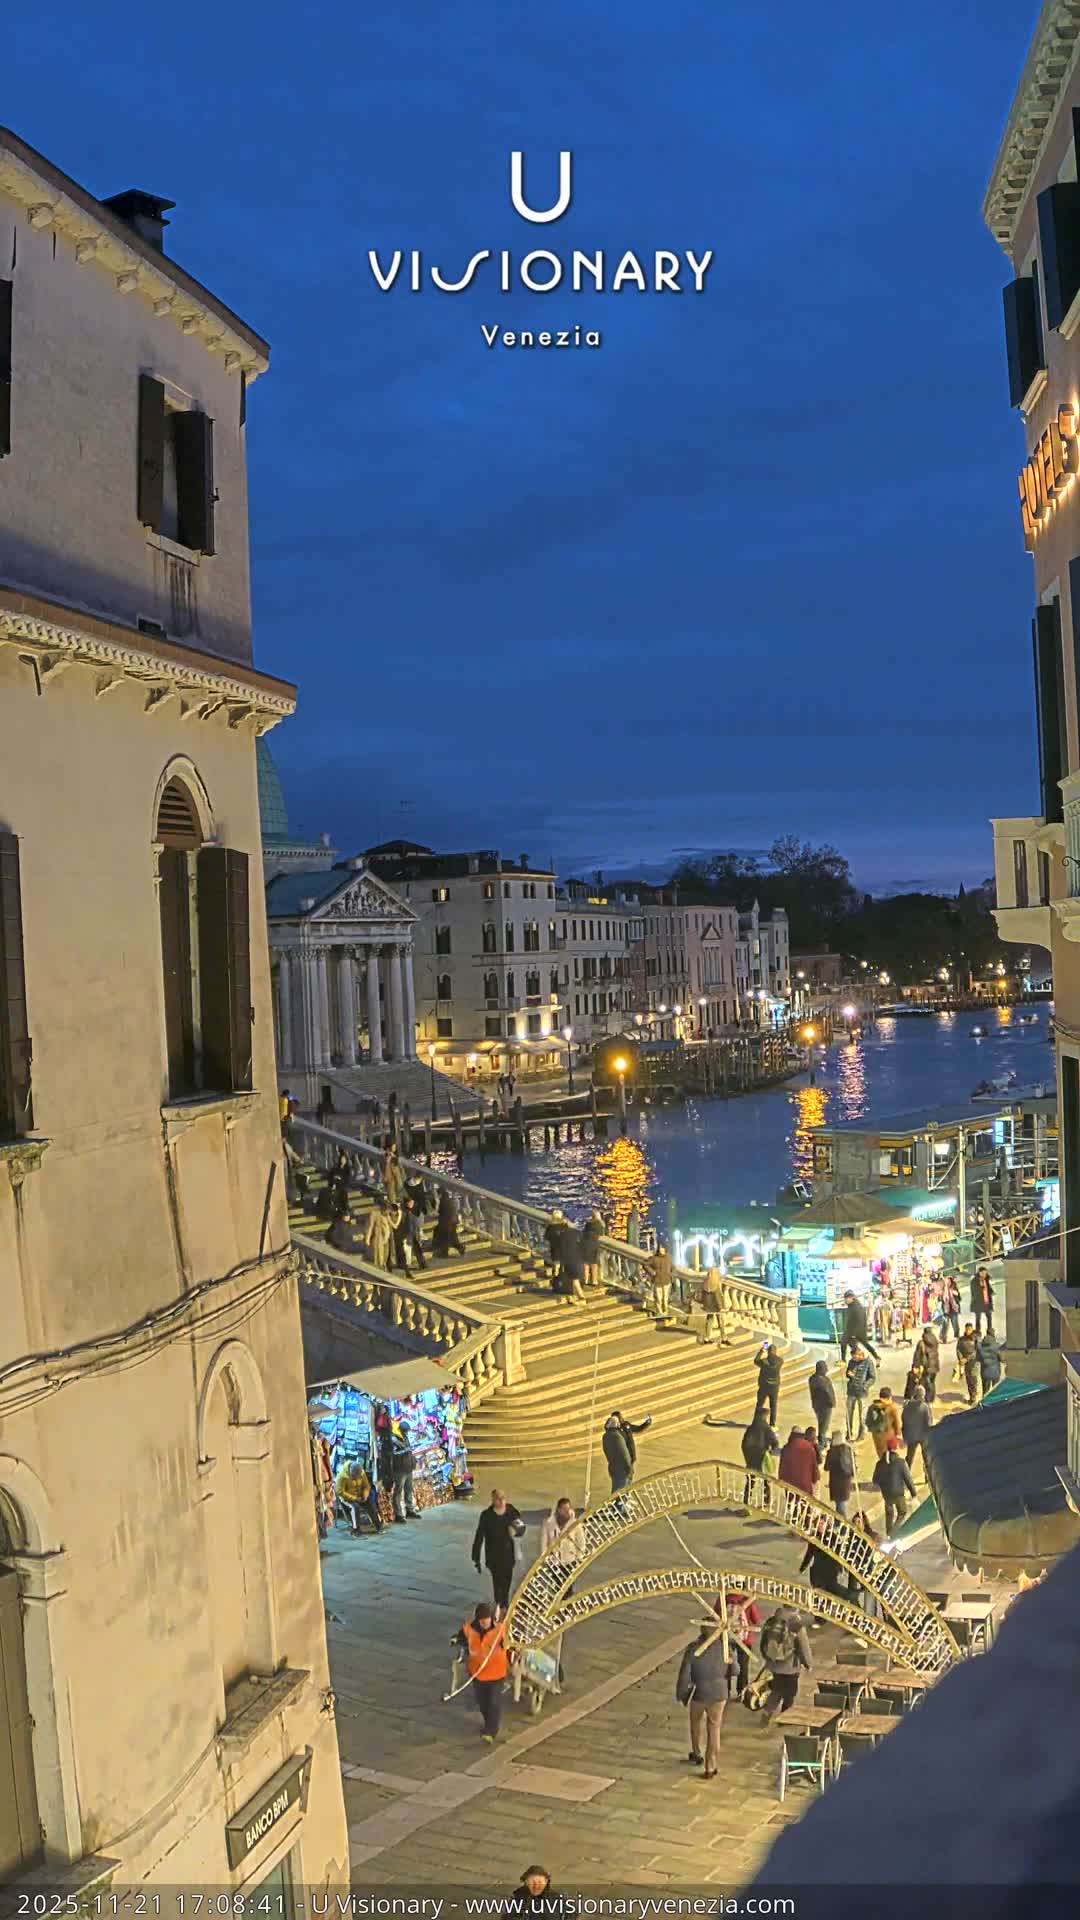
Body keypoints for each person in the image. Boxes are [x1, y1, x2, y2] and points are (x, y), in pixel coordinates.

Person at [675, 1620, 730, 1779]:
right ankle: (711, 1766)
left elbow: (685, 1674)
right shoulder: (725, 1647)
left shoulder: (694, 1649)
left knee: (695, 1722)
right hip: (719, 1693)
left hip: (700, 1692)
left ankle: (696, 1752)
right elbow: (735, 1670)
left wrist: (682, 1693)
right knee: (714, 1728)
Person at [455, 1601, 507, 1744]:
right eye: (482, 1620)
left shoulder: (500, 1630)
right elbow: (460, 1637)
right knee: (483, 1703)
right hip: (477, 1673)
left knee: (494, 1702)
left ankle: (491, 1731)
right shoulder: (469, 1630)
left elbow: (510, 1643)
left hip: (496, 1673)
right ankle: (488, 1723)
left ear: (491, 1618)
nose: (485, 1622)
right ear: (477, 1620)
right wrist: (455, 1640)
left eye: (487, 1619)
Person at [471, 1489, 526, 1614]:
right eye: (498, 1499)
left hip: (508, 1554)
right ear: (493, 1500)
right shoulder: (486, 1516)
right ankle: (499, 1603)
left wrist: (517, 1531)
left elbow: (521, 1527)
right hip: (493, 1556)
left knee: (507, 1580)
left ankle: (504, 1604)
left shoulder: (511, 1511)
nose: (501, 1501)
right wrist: (476, 1557)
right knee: (497, 1581)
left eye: (503, 1498)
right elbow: (479, 1536)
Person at [759, 1605, 812, 1725]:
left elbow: (763, 1641)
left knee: (776, 1690)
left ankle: (767, 1711)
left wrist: (768, 1659)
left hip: (773, 1665)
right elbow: (803, 1646)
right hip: (790, 1667)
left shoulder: (772, 1621)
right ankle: (785, 1717)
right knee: (790, 1694)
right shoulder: (796, 1624)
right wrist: (808, 1663)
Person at [719, 1589, 761, 1699]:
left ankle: (726, 1691)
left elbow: (717, 1616)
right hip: (745, 1639)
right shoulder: (748, 1600)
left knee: (726, 1665)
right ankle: (741, 1692)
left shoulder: (723, 1599)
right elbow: (756, 1620)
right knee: (743, 1666)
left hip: (727, 1637)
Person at [873, 1446, 916, 1535]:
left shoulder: (880, 1464)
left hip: (886, 1495)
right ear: (895, 1449)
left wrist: (883, 1484)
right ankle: (893, 1532)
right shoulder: (901, 1462)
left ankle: (889, 1533)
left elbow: (875, 1480)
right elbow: (908, 1479)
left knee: (889, 1514)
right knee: (902, 1512)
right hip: (898, 1493)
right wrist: (913, 1494)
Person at [335, 1458, 382, 1535]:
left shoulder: (362, 1473)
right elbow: (340, 1492)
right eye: (354, 1476)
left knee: (371, 1502)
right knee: (355, 1507)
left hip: (359, 1496)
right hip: (347, 1498)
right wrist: (354, 1498)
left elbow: (366, 1486)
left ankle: (378, 1526)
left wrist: (365, 1495)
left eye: (358, 1476)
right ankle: (356, 1530)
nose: (356, 1478)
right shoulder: (341, 1476)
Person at [741, 1408, 780, 1501]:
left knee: (750, 1481)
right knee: (766, 1481)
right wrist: (771, 1451)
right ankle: (766, 1501)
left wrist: (747, 1457)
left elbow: (743, 1444)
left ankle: (746, 1499)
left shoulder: (751, 1428)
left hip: (751, 1459)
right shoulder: (766, 1428)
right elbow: (774, 1442)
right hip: (762, 1458)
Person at [901, 1383, 933, 1481]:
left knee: (909, 1458)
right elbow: (928, 1423)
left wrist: (904, 1435)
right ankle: (928, 1477)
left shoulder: (907, 1405)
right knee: (926, 1457)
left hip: (911, 1436)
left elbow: (903, 1420)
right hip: (923, 1436)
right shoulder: (924, 1407)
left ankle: (905, 1478)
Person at [778, 1426, 820, 1497]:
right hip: (805, 1485)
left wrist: (781, 1480)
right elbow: (814, 1467)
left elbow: (782, 1468)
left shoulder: (786, 1448)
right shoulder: (809, 1448)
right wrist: (815, 1478)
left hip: (790, 1485)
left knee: (791, 1501)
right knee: (804, 1502)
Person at [839, 1289, 880, 1362]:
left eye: (847, 1298)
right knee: (844, 1343)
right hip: (851, 1330)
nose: (845, 1300)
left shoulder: (857, 1308)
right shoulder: (851, 1305)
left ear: (852, 1298)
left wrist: (854, 1334)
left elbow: (859, 1321)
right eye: (845, 1298)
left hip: (858, 1330)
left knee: (863, 1344)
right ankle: (844, 1359)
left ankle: (875, 1357)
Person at [845, 1345, 876, 1440]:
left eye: (856, 1356)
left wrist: (864, 1386)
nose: (854, 1358)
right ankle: (849, 1432)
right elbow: (848, 1372)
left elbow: (872, 1377)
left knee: (862, 1414)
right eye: (853, 1357)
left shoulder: (868, 1362)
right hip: (851, 1391)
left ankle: (861, 1434)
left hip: (862, 1393)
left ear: (860, 1354)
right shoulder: (851, 1361)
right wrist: (848, 1374)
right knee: (848, 1413)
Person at [390, 1430, 420, 1523]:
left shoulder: (405, 1438)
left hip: (408, 1468)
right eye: (405, 1431)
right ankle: (398, 1514)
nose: (407, 1432)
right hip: (400, 1470)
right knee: (398, 1492)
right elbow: (393, 1454)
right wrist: (405, 1451)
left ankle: (410, 1510)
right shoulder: (394, 1439)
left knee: (409, 1490)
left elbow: (409, 1450)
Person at [824, 1433, 857, 1518]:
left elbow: (826, 1467)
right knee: (841, 1505)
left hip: (836, 1483)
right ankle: (839, 1522)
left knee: (840, 1507)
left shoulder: (831, 1452)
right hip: (846, 1482)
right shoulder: (848, 1450)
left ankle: (842, 1524)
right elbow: (853, 1466)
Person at [865, 1384, 901, 1459]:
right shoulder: (893, 1407)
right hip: (890, 1436)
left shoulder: (873, 1407)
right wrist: (898, 1435)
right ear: (889, 1397)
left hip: (877, 1436)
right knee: (892, 1457)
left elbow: (868, 1422)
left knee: (881, 1456)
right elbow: (898, 1424)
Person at [394, 1195, 428, 1272]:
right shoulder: (404, 1211)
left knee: (417, 1249)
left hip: (414, 1232)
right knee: (406, 1250)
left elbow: (419, 1220)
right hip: (407, 1233)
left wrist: (419, 1230)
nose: (411, 1204)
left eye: (412, 1202)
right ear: (406, 1203)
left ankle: (422, 1263)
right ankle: (404, 1265)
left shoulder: (415, 1210)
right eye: (410, 1203)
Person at [808, 1358, 836, 1450]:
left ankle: (822, 1441)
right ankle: (822, 1443)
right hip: (826, 1405)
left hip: (817, 1405)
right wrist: (832, 1402)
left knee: (821, 1423)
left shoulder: (812, 1378)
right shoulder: (823, 1380)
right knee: (824, 1425)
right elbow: (828, 1392)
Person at [754, 1340, 783, 1425]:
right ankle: (772, 1424)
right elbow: (778, 1359)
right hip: (774, 1386)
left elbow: (756, 1361)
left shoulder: (764, 1362)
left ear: (768, 1351)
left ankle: (756, 1421)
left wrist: (761, 1351)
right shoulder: (780, 1361)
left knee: (760, 1404)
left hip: (764, 1386)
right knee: (773, 1405)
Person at [432, 1188, 465, 1257]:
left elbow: (442, 1213)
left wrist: (437, 1216)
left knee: (445, 1239)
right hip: (451, 1223)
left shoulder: (443, 1201)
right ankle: (460, 1248)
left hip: (447, 1223)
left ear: (440, 1194)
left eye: (438, 1194)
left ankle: (444, 1253)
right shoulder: (447, 1200)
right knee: (453, 1239)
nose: (438, 1196)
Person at [913, 1324, 941, 1405]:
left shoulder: (921, 1343)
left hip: (925, 1367)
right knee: (932, 1383)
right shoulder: (935, 1342)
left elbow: (917, 1356)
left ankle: (926, 1400)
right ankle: (931, 1399)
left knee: (924, 1383)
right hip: (935, 1366)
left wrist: (915, 1366)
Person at [648, 1245, 674, 1316]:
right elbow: (646, 1265)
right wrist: (652, 1272)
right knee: (658, 1298)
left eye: (663, 1250)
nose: (661, 1252)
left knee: (665, 1298)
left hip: (667, 1281)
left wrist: (671, 1274)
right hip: (657, 1281)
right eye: (660, 1250)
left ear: (665, 1251)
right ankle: (659, 1312)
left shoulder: (668, 1258)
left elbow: (673, 1267)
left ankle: (665, 1311)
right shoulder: (654, 1258)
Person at [957, 1324, 980, 1405]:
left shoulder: (976, 1339)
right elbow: (958, 1349)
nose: (968, 1331)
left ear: (972, 1329)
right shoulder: (962, 1339)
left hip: (974, 1362)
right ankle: (971, 1396)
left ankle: (974, 1398)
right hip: (965, 1363)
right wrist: (960, 1359)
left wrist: (967, 1359)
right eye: (967, 1329)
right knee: (968, 1380)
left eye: (969, 1329)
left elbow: (977, 1351)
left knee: (973, 1380)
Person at [544, 1209, 567, 1290]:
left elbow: (546, 1237)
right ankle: (562, 1283)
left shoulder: (550, 1227)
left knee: (556, 1266)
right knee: (562, 1267)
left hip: (555, 1248)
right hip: (564, 1248)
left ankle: (556, 1283)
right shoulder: (564, 1225)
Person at [580, 1214, 605, 1289]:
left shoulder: (588, 1224)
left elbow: (583, 1233)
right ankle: (594, 1281)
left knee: (586, 1263)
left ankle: (586, 1280)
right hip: (594, 1245)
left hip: (586, 1244)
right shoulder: (599, 1224)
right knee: (594, 1264)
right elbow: (601, 1234)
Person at [367, 1200, 393, 1271]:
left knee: (386, 1255)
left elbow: (392, 1225)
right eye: (387, 1210)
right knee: (379, 1256)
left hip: (386, 1237)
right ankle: (380, 1269)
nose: (388, 1212)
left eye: (389, 1210)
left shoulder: (387, 1215)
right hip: (379, 1237)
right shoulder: (375, 1214)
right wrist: (368, 1239)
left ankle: (384, 1267)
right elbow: (371, 1226)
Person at [971, 1266, 995, 1337]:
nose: (985, 1274)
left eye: (985, 1273)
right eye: (983, 1273)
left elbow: (988, 1288)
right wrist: (980, 1288)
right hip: (978, 1303)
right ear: (979, 1273)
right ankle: (978, 1332)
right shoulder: (974, 1281)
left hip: (986, 1302)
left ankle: (989, 1331)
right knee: (978, 1318)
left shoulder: (986, 1280)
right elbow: (974, 1292)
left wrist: (991, 1291)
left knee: (989, 1317)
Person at [978, 1330, 1004, 1396]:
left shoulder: (980, 1346)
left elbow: (978, 1359)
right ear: (993, 1334)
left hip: (984, 1372)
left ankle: (985, 1401)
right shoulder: (997, 1346)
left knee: (985, 1392)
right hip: (995, 1372)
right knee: (996, 1392)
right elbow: (1002, 1359)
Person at [940, 1272, 962, 1343]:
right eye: (946, 1281)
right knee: (945, 1324)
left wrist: (956, 1294)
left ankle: (957, 1335)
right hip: (946, 1310)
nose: (947, 1282)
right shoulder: (943, 1289)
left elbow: (959, 1298)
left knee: (955, 1323)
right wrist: (942, 1295)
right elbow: (940, 1299)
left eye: (949, 1281)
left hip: (953, 1309)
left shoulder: (954, 1288)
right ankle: (943, 1337)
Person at [382, 1143, 404, 1207]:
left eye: (394, 1148)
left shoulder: (395, 1157)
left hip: (394, 1176)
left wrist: (392, 1157)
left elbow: (398, 1167)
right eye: (392, 1148)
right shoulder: (386, 1156)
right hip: (391, 1177)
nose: (393, 1149)